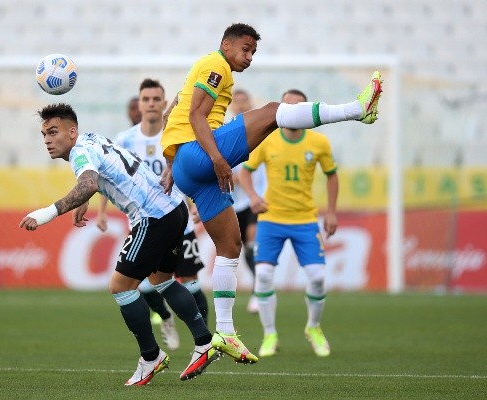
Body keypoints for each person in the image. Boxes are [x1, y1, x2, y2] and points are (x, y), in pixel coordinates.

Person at [160, 22, 382, 364]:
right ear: (227, 44)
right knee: (272, 111)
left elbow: (172, 111)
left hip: (189, 170)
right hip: (199, 155)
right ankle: (355, 109)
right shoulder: (215, 65)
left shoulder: (210, 71)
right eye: (246, 50)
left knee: (230, 246)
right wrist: (218, 159)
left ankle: (224, 332)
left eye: (254, 52)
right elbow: (194, 115)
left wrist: (170, 167)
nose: (249, 58)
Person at [19, 103, 221, 385]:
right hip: (175, 207)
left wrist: (46, 214)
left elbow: (88, 182)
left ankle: (151, 357)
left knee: (120, 286)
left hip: (152, 216)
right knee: (162, 280)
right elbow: (99, 173)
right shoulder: (92, 138)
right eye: (44, 134)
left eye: (53, 132)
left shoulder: (79, 150)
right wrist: (86, 197)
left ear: (72, 131)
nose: (47, 140)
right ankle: (204, 341)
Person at [97, 78, 209, 351]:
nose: (150, 104)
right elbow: (108, 176)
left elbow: (189, 171)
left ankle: (202, 339)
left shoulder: (174, 135)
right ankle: (167, 318)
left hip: (178, 219)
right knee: (147, 286)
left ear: (162, 102)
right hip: (145, 223)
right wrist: (101, 211)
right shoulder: (125, 139)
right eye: (145, 99)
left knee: (191, 284)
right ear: (139, 102)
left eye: (156, 99)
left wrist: (196, 204)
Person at [239, 89, 338, 358]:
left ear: (305, 110)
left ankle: (313, 327)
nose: (292, 111)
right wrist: (252, 197)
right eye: (287, 106)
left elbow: (331, 175)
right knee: (263, 276)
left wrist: (330, 211)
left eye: (297, 107)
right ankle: (269, 333)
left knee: (317, 278)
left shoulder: (318, 143)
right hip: (271, 219)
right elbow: (245, 171)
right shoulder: (267, 141)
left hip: (305, 219)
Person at [226, 88, 267, 314]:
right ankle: (258, 285)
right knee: (242, 248)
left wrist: (245, 178)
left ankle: (258, 291)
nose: (241, 105)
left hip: (256, 197)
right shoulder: (227, 131)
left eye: (244, 100)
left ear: (250, 103)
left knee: (253, 241)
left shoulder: (259, 132)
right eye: (237, 101)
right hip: (234, 202)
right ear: (231, 105)